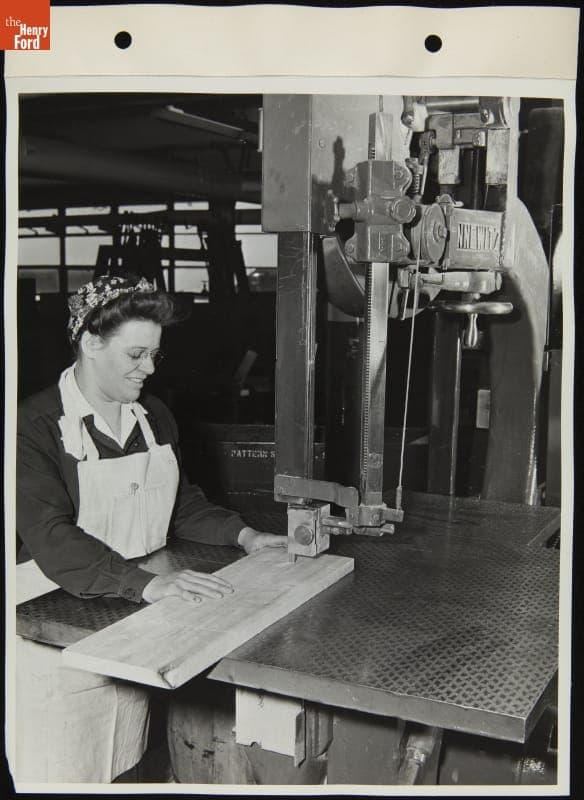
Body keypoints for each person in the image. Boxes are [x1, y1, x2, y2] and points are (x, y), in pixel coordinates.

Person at [14, 274, 284, 783]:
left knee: (126, 761)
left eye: (155, 356)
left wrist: (245, 536)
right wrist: (148, 583)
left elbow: (181, 504)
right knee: (61, 771)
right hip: (54, 620)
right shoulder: (36, 426)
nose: (148, 369)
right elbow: (50, 535)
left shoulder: (152, 416)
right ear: (91, 343)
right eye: (136, 354)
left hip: (132, 622)